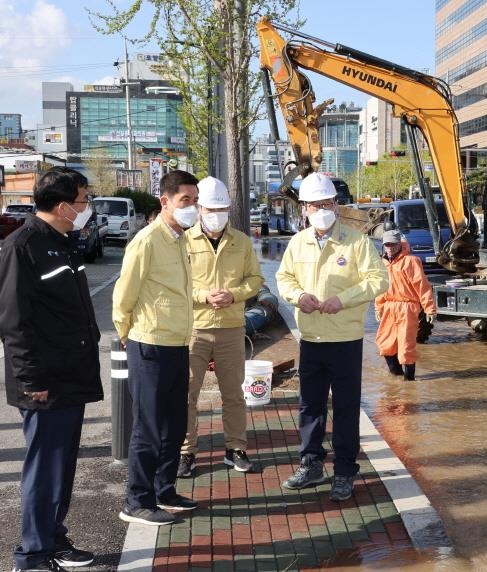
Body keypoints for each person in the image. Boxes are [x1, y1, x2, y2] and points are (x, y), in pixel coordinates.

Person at [0, 168, 103, 571]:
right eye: (82, 200)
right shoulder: (22, 247)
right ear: (62, 207)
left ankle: (53, 537)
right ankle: (32, 555)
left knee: (61, 468)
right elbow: (13, 322)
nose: (86, 207)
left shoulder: (63, 242)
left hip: (71, 374)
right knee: (44, 472)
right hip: (45, 382)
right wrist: (31, 381)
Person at [276, 172, 388, 501]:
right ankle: (310, 463)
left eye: (327, 203)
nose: (321, 210)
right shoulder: (298, 243)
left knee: (346, 408)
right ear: (305, 209)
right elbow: (284, 279)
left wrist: (345, 298)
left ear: (336, 206)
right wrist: (298, 296)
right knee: (310, 406)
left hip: (345, 340)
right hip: (311, 338)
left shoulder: (356, 242)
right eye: (314, 205)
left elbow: (378, 279)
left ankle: (343, 470)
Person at [112, 170, 200, 526]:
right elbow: (124, 293)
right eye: (186, 201)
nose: (192, 208)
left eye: (195, 201)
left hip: (177, 343)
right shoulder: (147, 241)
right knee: (148, 429)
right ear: (165, 201)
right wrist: (125, 333)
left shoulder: (181, 240)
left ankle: (165, 489)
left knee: (174, 424)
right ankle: (137, 500)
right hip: (149, 344)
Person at [177, 176, 265, 478]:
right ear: (199, 208)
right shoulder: (184, 241)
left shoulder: (241, 241)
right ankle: (186, 452)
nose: (217, 214)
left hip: (231, 327)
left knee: (234, 394)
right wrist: (203, 296)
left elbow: (255, 279)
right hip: (195, 328)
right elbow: (175, 285)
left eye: (222, 208)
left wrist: (235, 294)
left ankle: (235, 448)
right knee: (187, 394)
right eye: (211, 208)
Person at [374, 229, 437, 381]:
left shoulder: (411, 261)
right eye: (387, 244)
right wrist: (378, 307)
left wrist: (429, 309)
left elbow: (422, 286)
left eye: (392, 244)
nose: (389, 247)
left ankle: (409, 382)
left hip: (407, 307)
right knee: (384, 343)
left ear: (399, 245)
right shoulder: (382, 263)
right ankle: (396, 377)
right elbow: (380, 288)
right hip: (389, 306)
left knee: (406, 346)